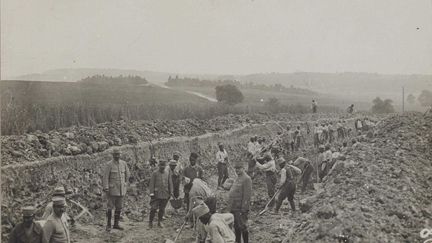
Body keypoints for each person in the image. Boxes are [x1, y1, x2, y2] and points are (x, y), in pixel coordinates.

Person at [102, 148, 130, 231]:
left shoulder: (124, 164)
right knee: (110, 207)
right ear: (113, 155)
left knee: (119, 207)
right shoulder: (109, 164)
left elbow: (127, 175)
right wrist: (106, 187)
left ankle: (116, 224)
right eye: (115, 154)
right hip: (112, 190)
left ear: (121, 155)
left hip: (121, 190)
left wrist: (125, 184)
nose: (117, 156)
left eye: (119, 154)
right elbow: (105, 177)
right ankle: (108, 225)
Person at [227, 161, 252, 243]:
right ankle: (238, 241)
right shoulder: (237, 178)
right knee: (236, 227)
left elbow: (247, 196)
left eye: (238, 168)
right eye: (236, 168)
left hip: (240, 208)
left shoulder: (247, 179)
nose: (237, 170)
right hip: (234, 207)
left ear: (243, 168)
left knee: (243, 226)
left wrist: (244, 209)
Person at [149, 160, 173, 228]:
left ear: (165, 166)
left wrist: (171, 192)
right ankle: (150, 222)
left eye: (164, 165)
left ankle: (160, 221)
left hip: (165, 194)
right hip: (156, 194)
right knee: (153, 208)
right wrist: (151, 194)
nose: (162, 167)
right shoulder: (155, 173)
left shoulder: (167, 173)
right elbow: (151, 184)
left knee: (162, 209)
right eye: (161, 165)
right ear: (159, 165)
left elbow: (170, 183)